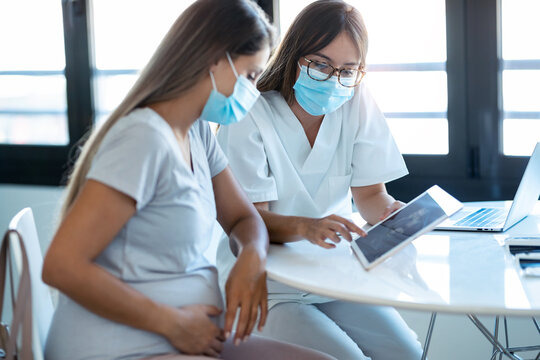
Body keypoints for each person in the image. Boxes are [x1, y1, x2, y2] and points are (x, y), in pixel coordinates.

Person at [41, 1, 336, 359]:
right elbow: (61, 266)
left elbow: (243, 219)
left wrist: (251, 257)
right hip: (126, 346)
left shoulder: (196, 131)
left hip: (189, 334)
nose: (253, 91)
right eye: (248, 76)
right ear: (214, 59)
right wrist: (171, 324)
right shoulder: (144, 140)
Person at [215, 1, 425, 359]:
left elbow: (371, 193)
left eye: (347, 69)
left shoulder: (356, 100)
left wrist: (390, 212)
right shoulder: (250, 113)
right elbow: (247, 220)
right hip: (270, 282)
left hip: (333, 273)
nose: (333, 79)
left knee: (406, 353)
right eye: (321, 64)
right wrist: (308, 227)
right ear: (295, 55)